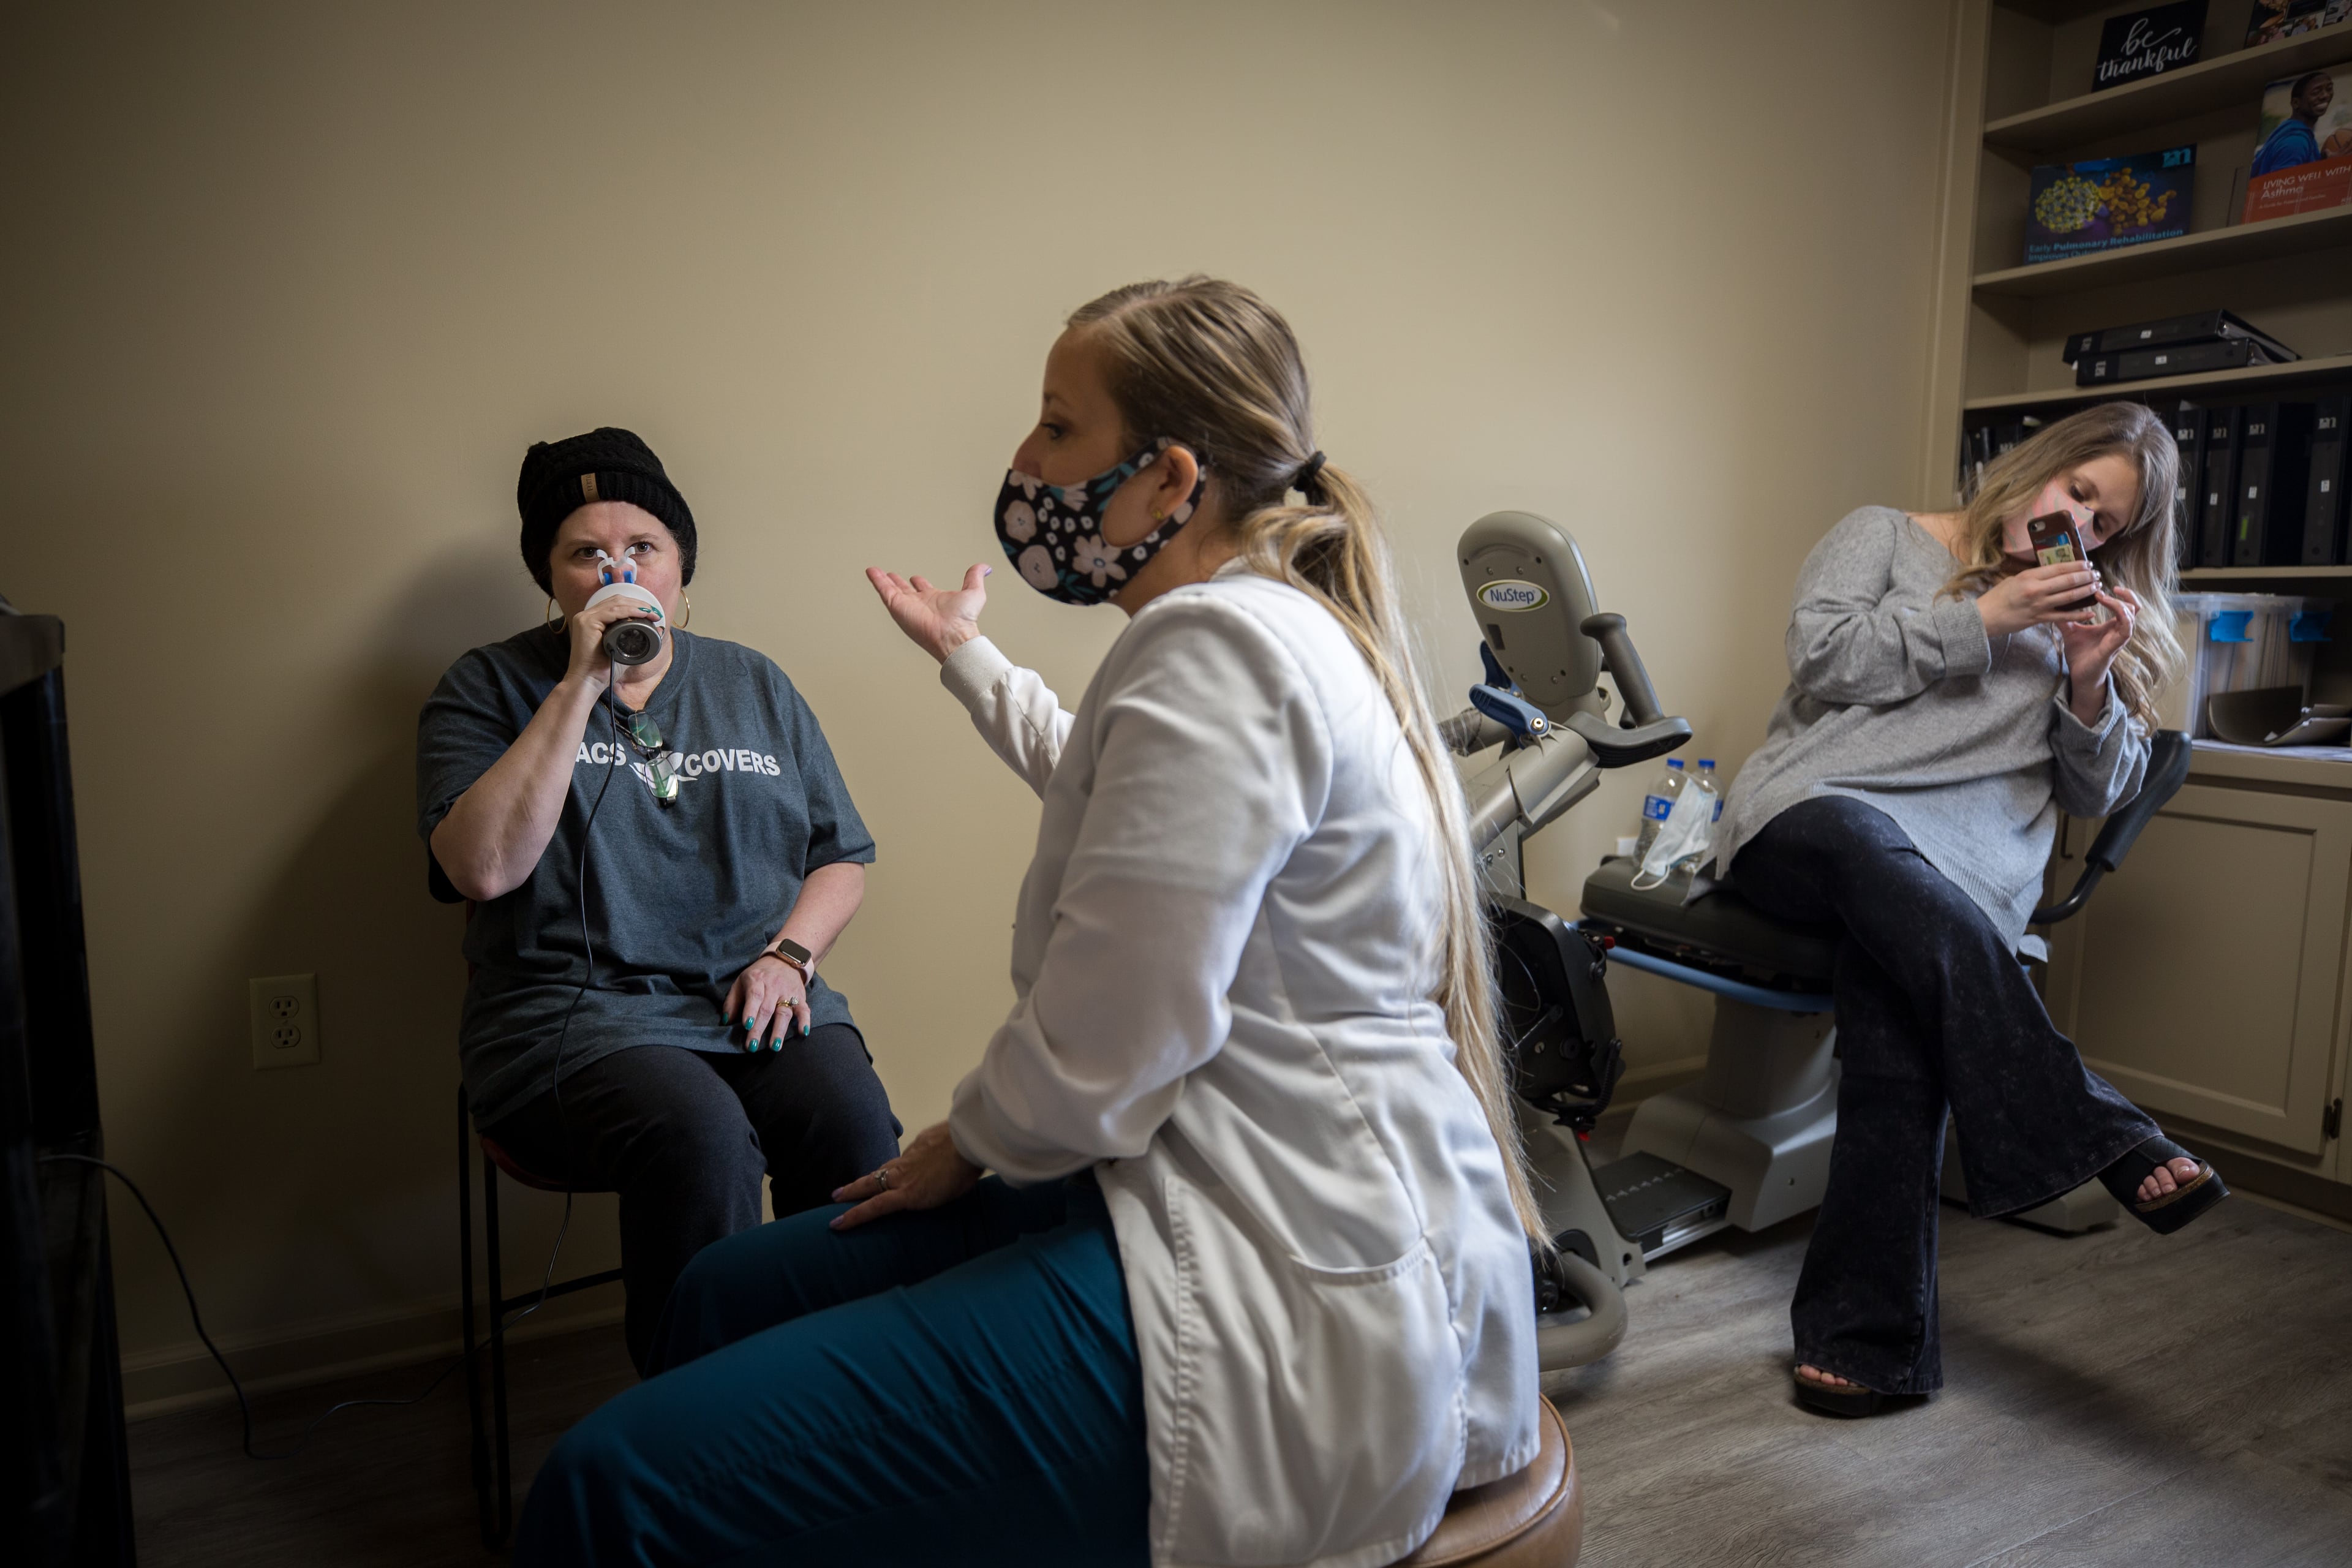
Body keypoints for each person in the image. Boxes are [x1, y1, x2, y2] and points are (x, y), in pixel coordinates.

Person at [511, 280, 1544, 1567]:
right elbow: (1118, 789)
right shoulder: (1259, 637)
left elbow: (1108, 1049)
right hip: (1217, 1181)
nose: (1021, 460)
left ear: (1170, 478)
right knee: (723, 1289)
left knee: (610, 1485)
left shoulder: (1220, 648)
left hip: (1275, 1286)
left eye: (1057, 427)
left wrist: (973, 1138)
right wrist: (969, 656)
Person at [1711, 400, 2226, 1418]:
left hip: (1958, 880)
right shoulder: (1887, 535)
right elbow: (1823, 656)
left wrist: (2086, 683)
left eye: (2110, 523)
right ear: (2041, 465)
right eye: (2078, 493)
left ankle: (1868, 1348)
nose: (2083, 527)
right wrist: (1988, 619)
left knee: (1901, 1000)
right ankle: (2101, 1128)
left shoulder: (2094, 623)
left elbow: (2096, 791)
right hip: (1818, 820)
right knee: (1879, 864)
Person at [417, 427, 899, 1375]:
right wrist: (579, 685)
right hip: (570, 1024)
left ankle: (850, 1396)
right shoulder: (485, 686)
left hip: (754, 1001)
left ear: (682, 565)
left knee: (851, 1125)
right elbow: (480, 873)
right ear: (550, 577)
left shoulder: (754, 683)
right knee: (703, 1138)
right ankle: (703, 1435)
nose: (617, 569)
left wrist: (790, 956)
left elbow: (841, 855)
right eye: (585, 553)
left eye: (643, 547)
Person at [2252, 70, 2337, 175]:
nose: (2325, 95)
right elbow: (2283, 187)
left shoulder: (2297, 132)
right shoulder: (2296, 142)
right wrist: (2331, 169)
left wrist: (2322, 161)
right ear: (2296, 103)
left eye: (2329, 89)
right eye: (2316, 93)